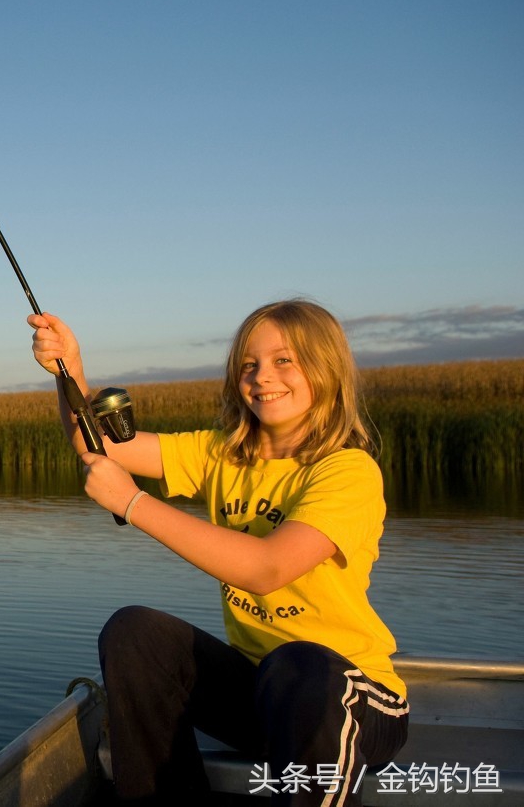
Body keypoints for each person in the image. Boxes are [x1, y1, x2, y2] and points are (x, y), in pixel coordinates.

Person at [28, 299, 409, 807]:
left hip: (351, 703)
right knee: (133, 632)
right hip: (260, 695)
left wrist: (133, 502)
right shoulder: (222, 453)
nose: (261, 377)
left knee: (298, 665)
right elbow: (99, 448)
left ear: (327, 370)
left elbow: (265, 568)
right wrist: (68, 370)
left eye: (283, 360)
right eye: (248, 365)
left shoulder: (347, 471)